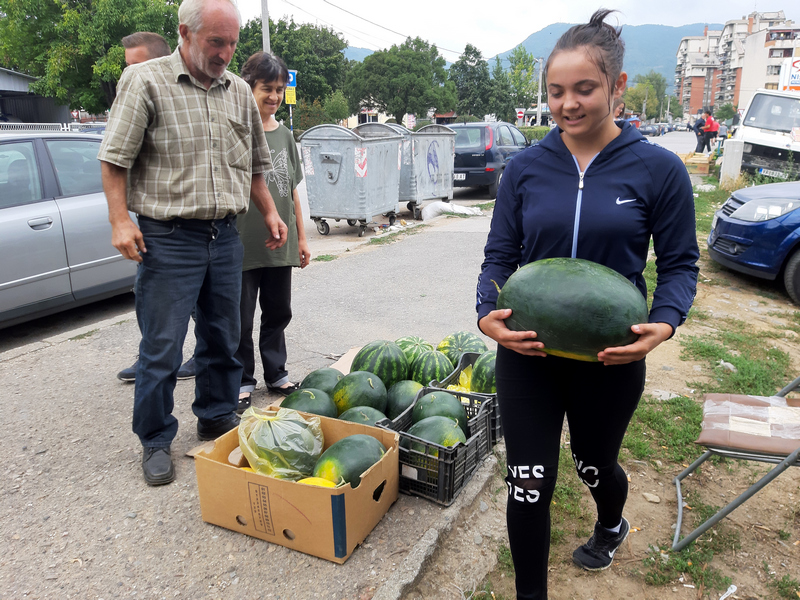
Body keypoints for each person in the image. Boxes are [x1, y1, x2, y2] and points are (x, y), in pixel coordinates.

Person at [475, 9, 699, 600]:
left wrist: (665, 324)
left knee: (595, 466)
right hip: (529, 355)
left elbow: (679, 266)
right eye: (555, 91)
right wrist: (485, 313)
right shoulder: (525, 168)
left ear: (617, 87)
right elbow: (499, 257)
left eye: (584, 89)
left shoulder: (659, 170)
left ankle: (610, 522)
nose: (567, 104)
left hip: (611, 356)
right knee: (528, 483)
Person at [98, 0, 288, 486]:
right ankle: (156, 439)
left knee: (223, 337)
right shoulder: (145, 82)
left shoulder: (239, 94)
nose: (225, 53)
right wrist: (120, 221)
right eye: (215, 42)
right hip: (167, 239)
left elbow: (254, 165)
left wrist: (269, 212)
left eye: (232, 43)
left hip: (224, 236)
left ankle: (216, 414)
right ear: (185, 32)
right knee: (161, 348)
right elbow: (115, 157)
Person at [114, 31, 198, 384]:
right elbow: (116, 159)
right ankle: (154, 356)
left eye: (135, 66)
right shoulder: (134, 98)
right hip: (156, 225)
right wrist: (120, 218)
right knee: (151, 303)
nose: (127, 74)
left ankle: (195, 357)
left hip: (195, 226)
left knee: (203, 308)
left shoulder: (185, 100)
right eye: (126, 67)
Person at [235, 52, 310, 411]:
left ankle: (275, 371)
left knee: (278, 309)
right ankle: (242, 379)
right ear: (248, 87)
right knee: (240, 316)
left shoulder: (285, 136)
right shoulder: (237, 131)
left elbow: (292, 190)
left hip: (282, 244)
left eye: (279, 89)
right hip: (243, 242)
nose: (274, 97)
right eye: (267, 88)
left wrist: (303, 238)